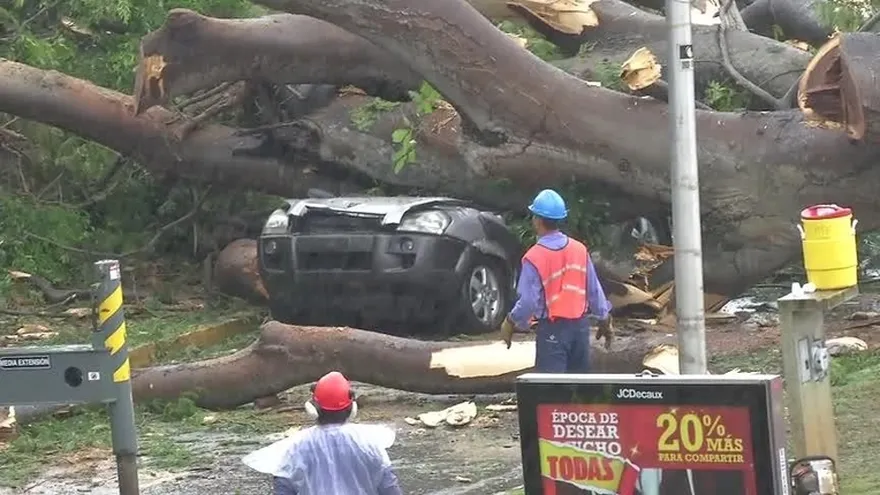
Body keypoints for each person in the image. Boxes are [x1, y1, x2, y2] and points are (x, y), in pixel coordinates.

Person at [499, 189, 614, 373]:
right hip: (580, 329)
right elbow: (594, 291)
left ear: (536, 220)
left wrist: (511, 321)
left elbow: (528, 302)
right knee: (578, 392)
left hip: (552, 330)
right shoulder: (579, 250)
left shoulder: (534, 257)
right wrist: (604, 319)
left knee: (551, 393)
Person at [242, 371, 403, 495]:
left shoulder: (296, 447)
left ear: (313, 409)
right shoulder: (370, 443)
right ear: (352, 409)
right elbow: (390, 488)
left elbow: (283, 488)